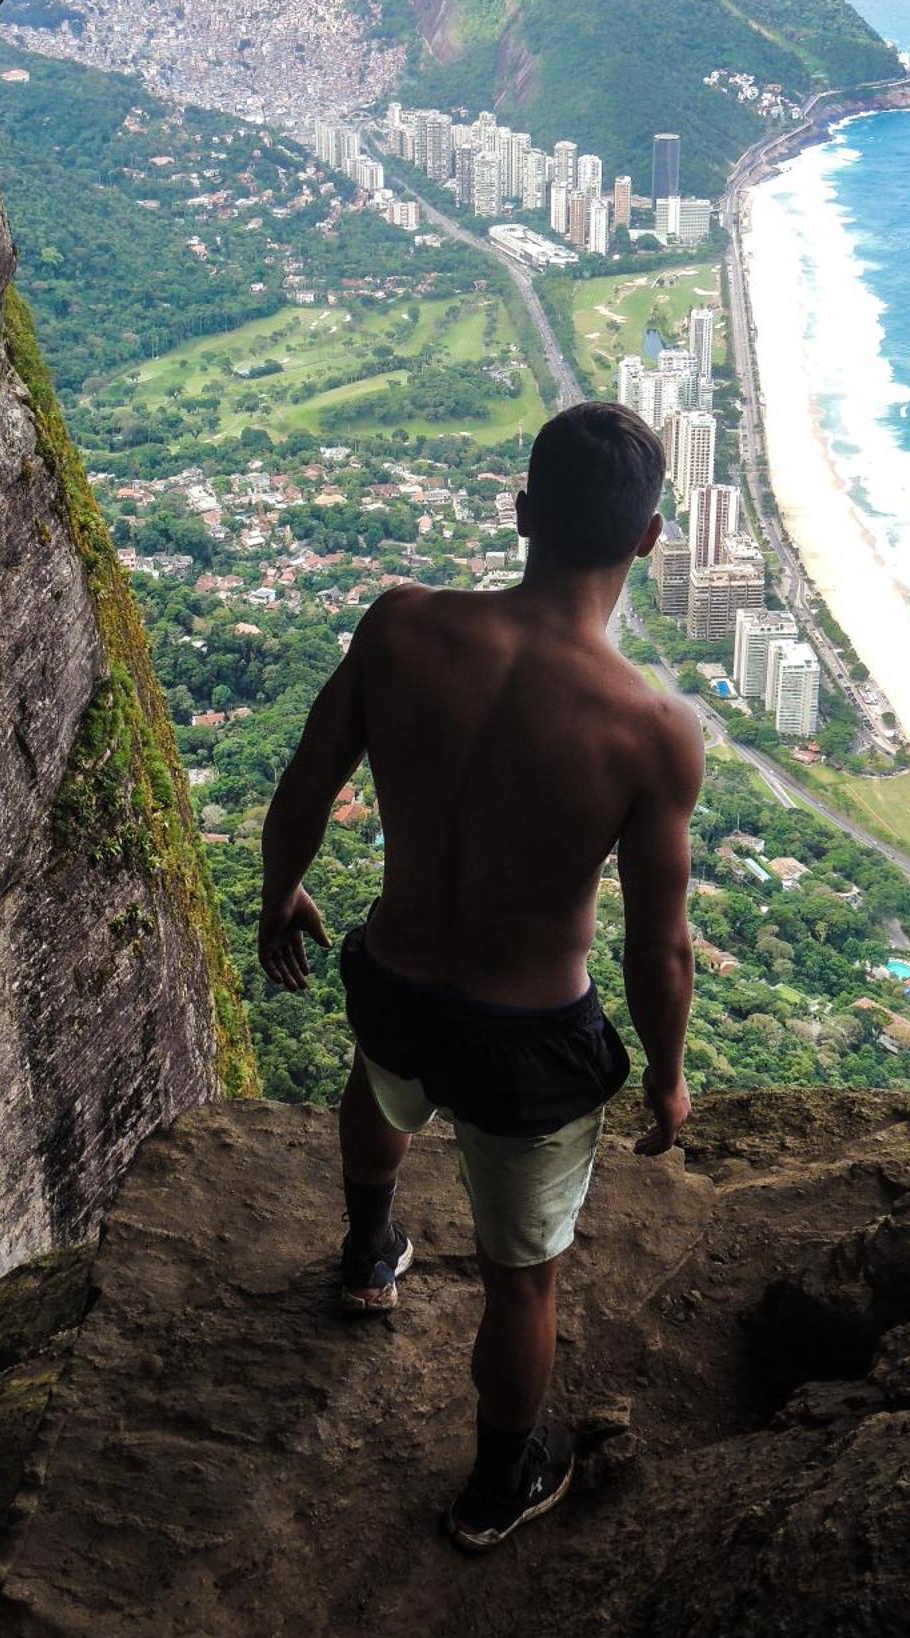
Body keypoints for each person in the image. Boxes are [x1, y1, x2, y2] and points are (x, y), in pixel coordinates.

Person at [258, 401, 702, 1552]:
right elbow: (660, 945)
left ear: (520, 513)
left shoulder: (402, 626)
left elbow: (306, 781)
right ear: (650, 539)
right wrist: (666, 1074)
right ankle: (499, 1480)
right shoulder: (651, 729)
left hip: (395, 979)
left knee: (382, 1079)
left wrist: (281, 890)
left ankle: (367, 1255)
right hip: (529, 1041)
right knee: (523, 1279)